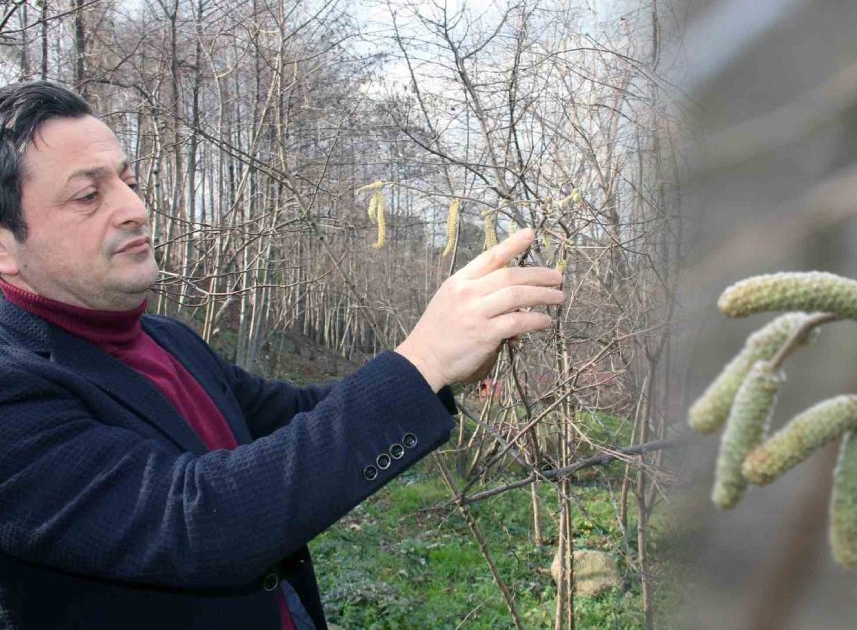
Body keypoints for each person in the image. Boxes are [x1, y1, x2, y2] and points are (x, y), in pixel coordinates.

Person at [0, 81, 564, 629]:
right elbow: (196, 523)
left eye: (127, 181)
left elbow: (296, 416)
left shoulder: (167, 338)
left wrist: (441, 372)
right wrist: (424, 361)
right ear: (5, 247)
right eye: (88, 195)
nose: (134, 207)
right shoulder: (12, 385)